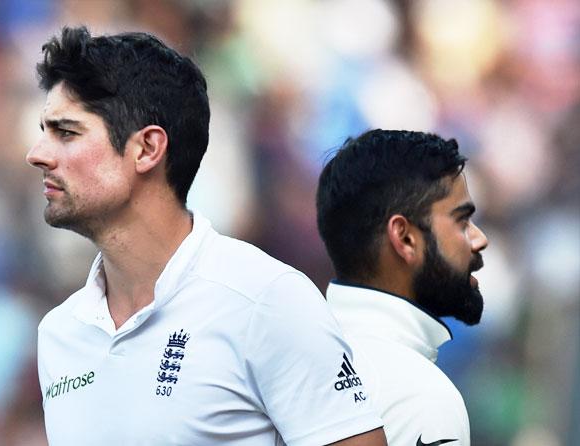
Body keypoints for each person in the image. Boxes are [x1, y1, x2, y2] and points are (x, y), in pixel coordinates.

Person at [26, 26, 387, 445]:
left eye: (66, 132)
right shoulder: (58, 333)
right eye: (44, 131)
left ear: (146, 149)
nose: (38, 154)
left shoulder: (267, 299)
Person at [316, 130, 489, 445]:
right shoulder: (422, 398)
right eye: (462, 221)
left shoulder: (296, 354)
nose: (480, 239)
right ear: (405, 237)